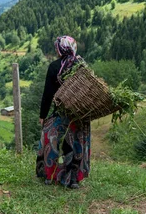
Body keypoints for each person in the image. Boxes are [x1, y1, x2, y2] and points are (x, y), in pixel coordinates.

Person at [35, 35, 91, 189]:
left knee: (49, 138)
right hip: (80, 114)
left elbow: (48, 94)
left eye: (56, 48)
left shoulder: (55, 67)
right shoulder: (81, 65)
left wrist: (43, 116)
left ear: (61, 48)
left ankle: (49, 175)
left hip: (61, 113)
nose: (56, 51)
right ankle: (73, 179)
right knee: (76, 144)